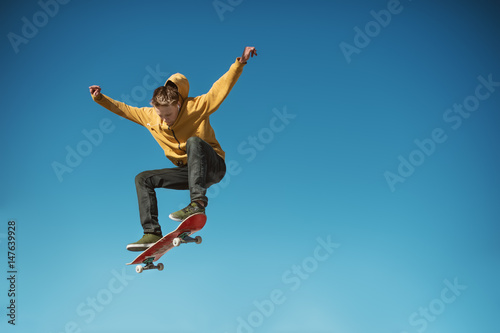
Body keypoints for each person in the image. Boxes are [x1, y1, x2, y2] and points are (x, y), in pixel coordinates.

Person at [89, 46, 257, 251]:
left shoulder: (196, 107)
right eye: (160, 115)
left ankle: (197, 204)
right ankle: (151, 232)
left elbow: (220, 89)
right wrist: (100, 98)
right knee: (143, 178)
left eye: (168, 115)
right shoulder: (150, 116)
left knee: (194, 142)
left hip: (212, 166)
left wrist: (239, 64)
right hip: (188, 172)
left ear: (178, 105)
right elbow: (124, 110)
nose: (164, 120)